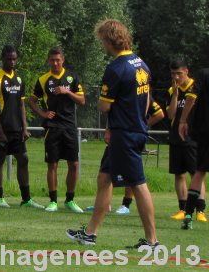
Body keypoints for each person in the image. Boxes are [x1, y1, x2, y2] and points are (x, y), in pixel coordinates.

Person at [67, 19, 158, 247]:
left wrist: (116, 120)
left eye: (102, 41)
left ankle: (153, 241)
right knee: (104, 178)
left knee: (138, 183)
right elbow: (146, 100)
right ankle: (90, 233)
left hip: (125, 134)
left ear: (109, 40)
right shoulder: (141, 64)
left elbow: (104, 106)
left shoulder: (116, 68)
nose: (102, 45)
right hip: (133, 129)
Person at [28, 47, 86, 213]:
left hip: (69, 126)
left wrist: (67, 91)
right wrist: (43, 113)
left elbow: (82, 100)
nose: (55, 63)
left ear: (63, 59)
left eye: (57, 60)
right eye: (52, 60)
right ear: (49, 61)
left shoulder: (72, 77)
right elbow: (32, 101)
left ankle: (70, 199)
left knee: (73, 164)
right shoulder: (43, 79)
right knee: (52, 164)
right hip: (52, 127)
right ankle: (53, 201)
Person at [0, 45, 44, 209]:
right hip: (1, 130)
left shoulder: (19, 80)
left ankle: (26, 199)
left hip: (17, 129)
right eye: (8, 59)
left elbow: (21, 106)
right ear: (2, 59)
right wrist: (0, 132)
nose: (12, 62)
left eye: (14, 59)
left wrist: (25, 128)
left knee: (23, 159)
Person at [165, 59, 206, 222]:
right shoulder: (171, 90)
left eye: (179, 74)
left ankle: (200, 210)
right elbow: (170, 115)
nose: (176, 77)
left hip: (193, 138)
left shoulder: (197, 87)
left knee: (196, 173)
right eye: (173, 74)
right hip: (176, 137)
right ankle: (182, 208)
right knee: (178, 174)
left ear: (186, 72)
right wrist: (175, 95)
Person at [109, 101, 165, 215]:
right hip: (118, 137)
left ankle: (126, 204)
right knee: (105, 173)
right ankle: (105, 204)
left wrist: (143, 125)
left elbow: (159, 114)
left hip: (131, 138)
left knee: (132, 174)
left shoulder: (142, 94)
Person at [178, 66, 209, 229]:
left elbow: (191, 98)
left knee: (199, 173)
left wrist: (183, 121)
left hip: (204, 131)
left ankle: (188, 215)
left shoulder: (204, 74)